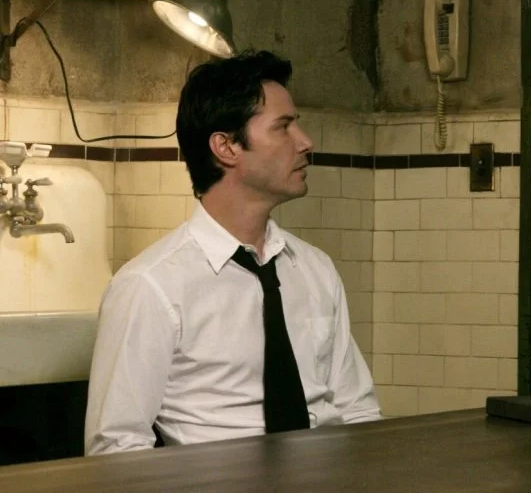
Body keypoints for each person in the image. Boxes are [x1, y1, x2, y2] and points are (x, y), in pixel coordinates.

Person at [85, 50, 381, 455]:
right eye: (283, 127)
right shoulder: (150, 286)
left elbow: (358, 410)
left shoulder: (315, 269)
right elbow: (116, 446)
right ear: (226, 147)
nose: (305, 142)